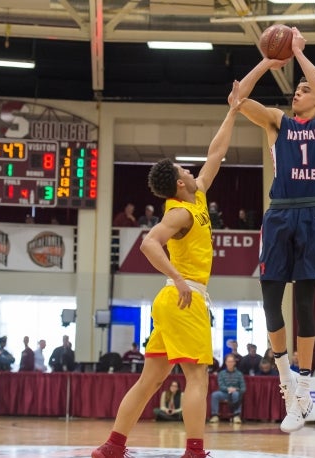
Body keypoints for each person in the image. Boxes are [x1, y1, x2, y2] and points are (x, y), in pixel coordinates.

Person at [92, 82, 242, 458]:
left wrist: (233, 110)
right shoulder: (179, 212)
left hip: (170, 300)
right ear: (180, 182)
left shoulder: (199, 196)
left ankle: (113, 446)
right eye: (184, 169)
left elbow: (216, 152)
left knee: (149, 380)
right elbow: (148, 243)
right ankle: (194, 452)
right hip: (184, 296)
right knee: (197, 377)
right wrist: (178, 279)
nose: (191, 170)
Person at [236, 25, 315, 434]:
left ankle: (304, 390)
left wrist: (298, 53)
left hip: (312, 214)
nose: (298, 91)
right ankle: (285, 379)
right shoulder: (278, 123)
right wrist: (267, 60)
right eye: (296, 88)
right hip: (278, 213)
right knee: (269, 301)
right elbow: (238, 99)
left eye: (304, 88)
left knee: (304, 303)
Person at [209, 354, 246, 424]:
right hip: (224, 393)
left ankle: (236, 416)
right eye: (228, 361)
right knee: (215, 395)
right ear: (225, 362)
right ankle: (215, 415)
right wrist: (228, 389)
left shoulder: (239, 374)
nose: (230, 363)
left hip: (235, 393)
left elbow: (243, 387)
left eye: (232, 361)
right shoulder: (221, 373)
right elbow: (221, 386)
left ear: (235, 363)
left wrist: (236, 389)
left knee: (236, 395)